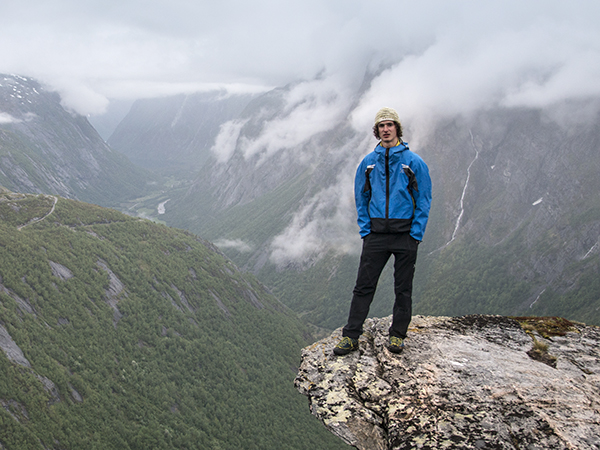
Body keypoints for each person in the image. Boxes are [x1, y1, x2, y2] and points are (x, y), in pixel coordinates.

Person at [334, 107, 432, 355]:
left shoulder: (413, 162)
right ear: (376, 131)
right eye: (381, 126)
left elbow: (424, 199)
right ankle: (351, 336)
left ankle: (397, 335)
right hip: (376, 235)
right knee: (363, 286)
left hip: (405, 235)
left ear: (397, 129)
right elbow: (361, 196)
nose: (386, 129)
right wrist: (366, 230)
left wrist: (416, 233)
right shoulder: (368, 163)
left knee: (403, 288)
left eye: (390, 125)